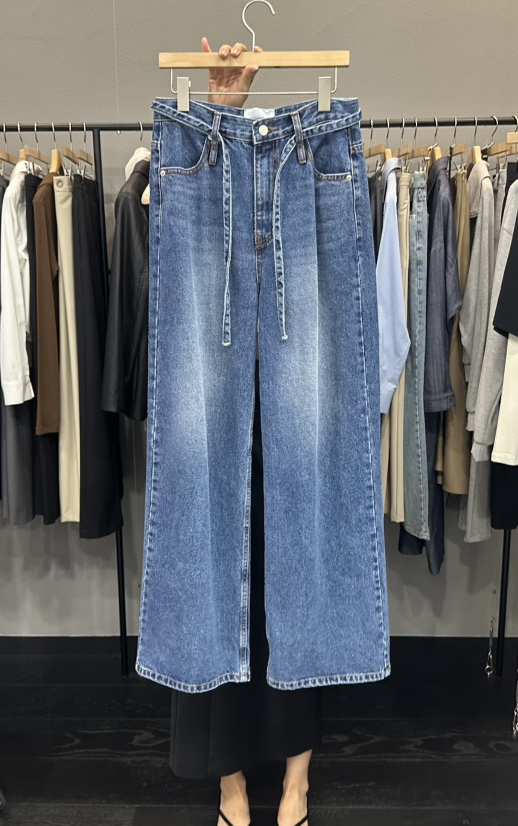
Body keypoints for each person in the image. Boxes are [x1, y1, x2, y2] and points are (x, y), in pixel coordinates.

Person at [166, 38, 319, 826]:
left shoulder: (321, 179)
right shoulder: (184, 186)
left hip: (295, 420)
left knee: (302, 577)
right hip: (215, 419)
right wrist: (220, 111)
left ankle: (296, 782)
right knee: (209, 578)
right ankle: (229, 784)